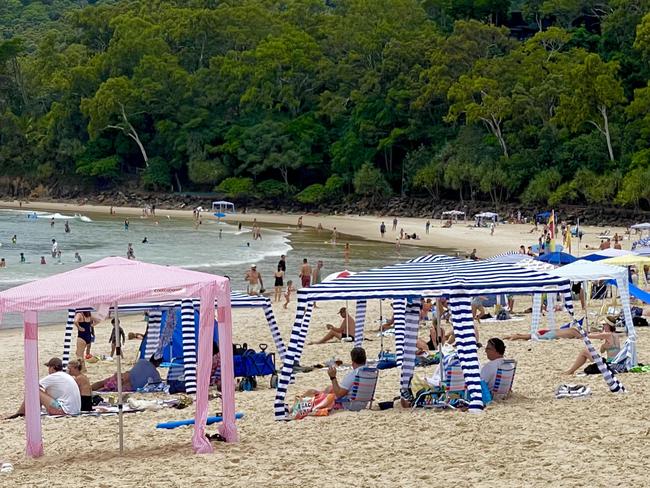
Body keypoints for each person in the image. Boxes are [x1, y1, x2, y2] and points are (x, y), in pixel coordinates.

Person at [5, 358, 80, 418]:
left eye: (49, 367)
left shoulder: (54, 376)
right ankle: (30, 411)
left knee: (34, 390)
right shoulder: (65, 376)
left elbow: (32, 387)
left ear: (52, 367)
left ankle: (20, 412)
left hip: (64, 410)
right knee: (39, 392)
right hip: (74, 410)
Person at [300, 347, 368, 403]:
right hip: (362, 401)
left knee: (311, 392)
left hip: (347, 403)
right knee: (330, 388)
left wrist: (333, 377)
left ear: (352, 361)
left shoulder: (354, 375)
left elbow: (339, 395)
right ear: (365, 360)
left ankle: (293, 409)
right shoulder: (370, 373)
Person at [91, 355, 163, 392]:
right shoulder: (155, 374)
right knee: (105, 390)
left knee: (103, 383)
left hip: (122, 376)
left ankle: (89, 388)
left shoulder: (142, 361)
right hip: (129, 385)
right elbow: (157, 384)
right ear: (158, 363)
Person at [504, 327, 582, 341]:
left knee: (532, 335)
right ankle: (517, 337)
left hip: (550, 331)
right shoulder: (574, 332)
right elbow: (583, 337)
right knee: (532, 337)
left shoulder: (572, 329)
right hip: (552, 334)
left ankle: (517, 335)